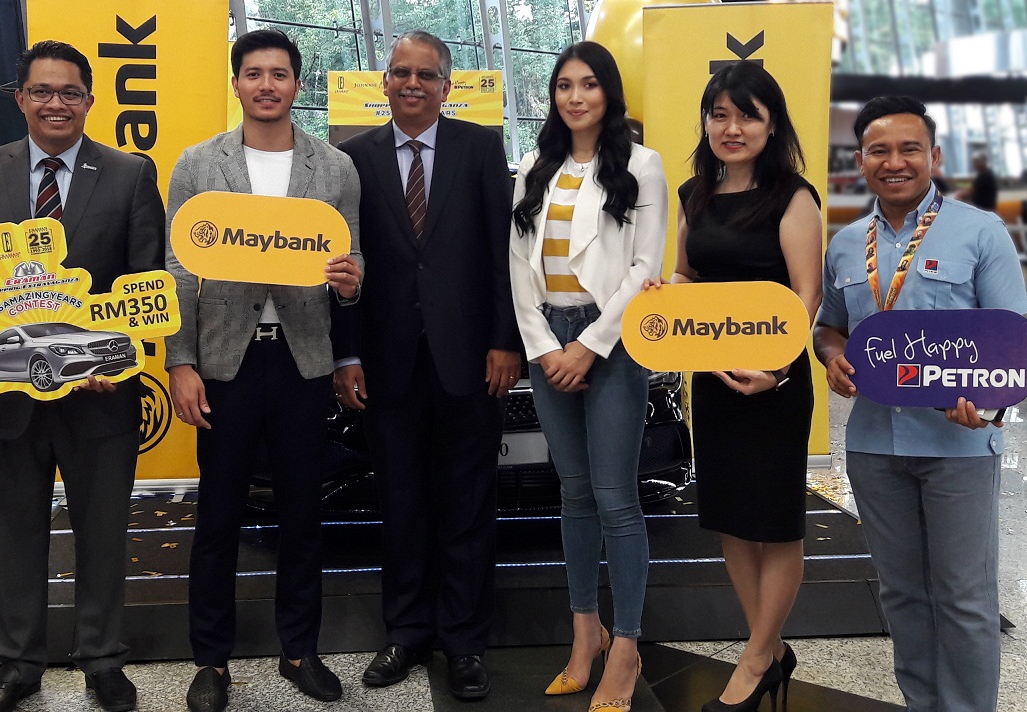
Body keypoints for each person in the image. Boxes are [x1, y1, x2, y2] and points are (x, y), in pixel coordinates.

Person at [0, 40, 164, 712]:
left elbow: (146, 282)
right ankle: (18, 665)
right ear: (20, 99)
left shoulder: (129, 173)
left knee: (103, 534)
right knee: (16, 534)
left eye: (69, 92)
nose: (55, 103)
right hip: (7, 390)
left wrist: (112, 356)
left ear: (89, 100)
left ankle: (103, 660)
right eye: (42, 91)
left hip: (100, 394)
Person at [163, 28, 363, 712]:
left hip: (302, 361)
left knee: (303, 513)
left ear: (297, 84)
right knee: (218, 516)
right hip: (225, 362)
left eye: (279, 74)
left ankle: (299, 650)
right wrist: (180, 362)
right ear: (237, 83)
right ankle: (210, 661)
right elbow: (177, 267)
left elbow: (355, 263)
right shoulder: (198, 164)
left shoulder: (334, 168)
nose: (267, 84)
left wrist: (351, 282)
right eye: (254, 73)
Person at [813, 96, 1027, 712]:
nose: (895, 162)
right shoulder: (846, 244)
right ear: (860, 161)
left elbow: (1013, 341)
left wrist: (988, 406)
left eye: (910, 149)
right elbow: (829, 326)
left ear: (933, 156)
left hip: (958, 445)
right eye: (879, 151)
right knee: (902, 594)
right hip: (874, 446)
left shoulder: (981, 232)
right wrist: (832, 355)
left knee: (964, 598)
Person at [334, 29, 518, 701]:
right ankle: (406, 632)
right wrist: (347, 352)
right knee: (401, 502)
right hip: (386, 365)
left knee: (468, 505)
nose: (412, 84)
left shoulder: (480, 149)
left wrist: (505, 341)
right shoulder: (352, 160)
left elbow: (503, 251)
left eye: (425, 75)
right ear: (383, 82)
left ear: (446, 86)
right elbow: (341, 265)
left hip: (470, 360)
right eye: (400, 73)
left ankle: (465, 642)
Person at [652, 61, 823, 712]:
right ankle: (769, 648)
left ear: (771, 124)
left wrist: (775, 370)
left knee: (774, 523)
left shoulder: (792, 197)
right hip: (715, 377)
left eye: (748, 115)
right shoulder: (693, 194)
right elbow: (687, 274)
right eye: (719, 114)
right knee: (730, 520)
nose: (732, 127)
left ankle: (753, 661)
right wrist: (664, 294)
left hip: (774, 384)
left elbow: (805, 296)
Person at [507, 41, 666, 712]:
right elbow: (517, 266)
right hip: (548, 341)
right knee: (573, 493)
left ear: (609, 93)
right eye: (564, 85)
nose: (576, 97)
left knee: (615, 498)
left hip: (613, 342)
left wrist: (590, 347)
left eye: (589, 84)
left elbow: (645, 268)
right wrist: (546, 347)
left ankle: (625, 646)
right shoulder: (532, 165)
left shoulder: (641, 165)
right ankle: (585, 635)